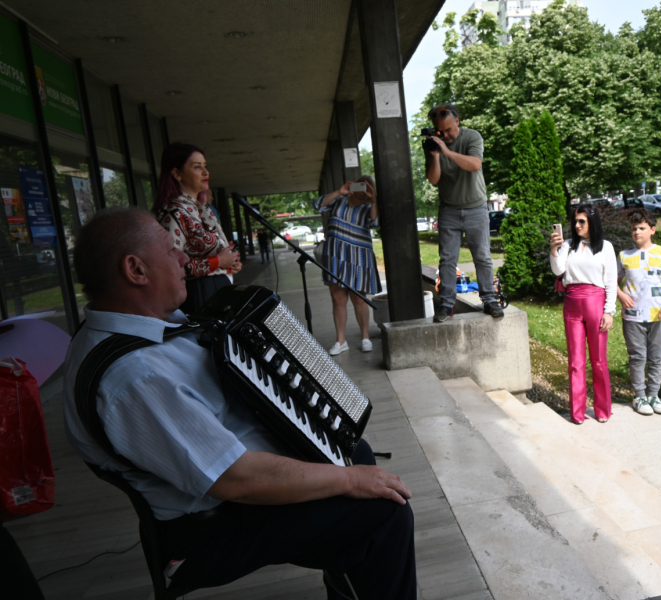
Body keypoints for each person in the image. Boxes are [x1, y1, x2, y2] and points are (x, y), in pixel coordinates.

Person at [62, 208, 416, 599]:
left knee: (354, 452)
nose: (183, 259)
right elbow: (235, 478)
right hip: (212, 526)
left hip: (234, 491)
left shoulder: (122, 332)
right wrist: (348, 480)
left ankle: (352, 574)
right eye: (170, 249)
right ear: (136, 270)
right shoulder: (135, 378)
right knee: (385, 513)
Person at [424, 104, 504, 322]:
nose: (446, 135)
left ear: (457, 121)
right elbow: (433, 179)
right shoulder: (433, 144)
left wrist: (447, 151)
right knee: (447, 260)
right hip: (449, 209)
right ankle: (447, 305)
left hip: (476, 207)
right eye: (441, 131)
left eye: (449, 129)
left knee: (483, 257)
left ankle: (489, 300)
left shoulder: (472, 137)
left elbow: (475, 165)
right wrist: (436, 155)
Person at [154, 142, 241, 315]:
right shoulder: (175, 211)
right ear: (177, 173)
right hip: (200, 293)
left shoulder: (202, 209)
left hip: (219, 287)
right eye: (197, 167)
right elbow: (170, 267)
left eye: (205, 166)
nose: (205, 172)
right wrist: (218, 262)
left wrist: (229, 264)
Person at [549, 203, 617, 424]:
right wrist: (554, 250)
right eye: (575, 221)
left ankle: (602, 409)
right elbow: (558, 270)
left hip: (596, 302)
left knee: (598, 360)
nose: (577, 225)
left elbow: (610, 280)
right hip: (572, 303)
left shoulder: (605, 247)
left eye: (582, 221)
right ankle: (577, 412)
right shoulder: (568, 245)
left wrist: (609, 311)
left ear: (592, 222)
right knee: (575, 362)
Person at [616, 209, 661, 416]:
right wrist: (620, 295)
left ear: (653, 230)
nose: (637, 232)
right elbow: (612, 281)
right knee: (637, 356)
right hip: (633, 315)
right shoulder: (624, 255)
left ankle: (654, 395)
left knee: (657, 356)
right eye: (633, 229)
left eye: (641, 228)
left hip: (659, 314)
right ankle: (639, 396)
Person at [315, 176, 380, 355]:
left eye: (367, 188)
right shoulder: (338, 202)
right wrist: (339, 191)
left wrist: (373, 199)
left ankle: (365, 337)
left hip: (359, 258)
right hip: (335, 257)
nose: (362, 191)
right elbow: (318, 204)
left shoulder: (369, 208)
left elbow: (375, 222)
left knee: (359, 298)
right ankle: (341, 341)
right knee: (338, 300)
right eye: (360, 186)